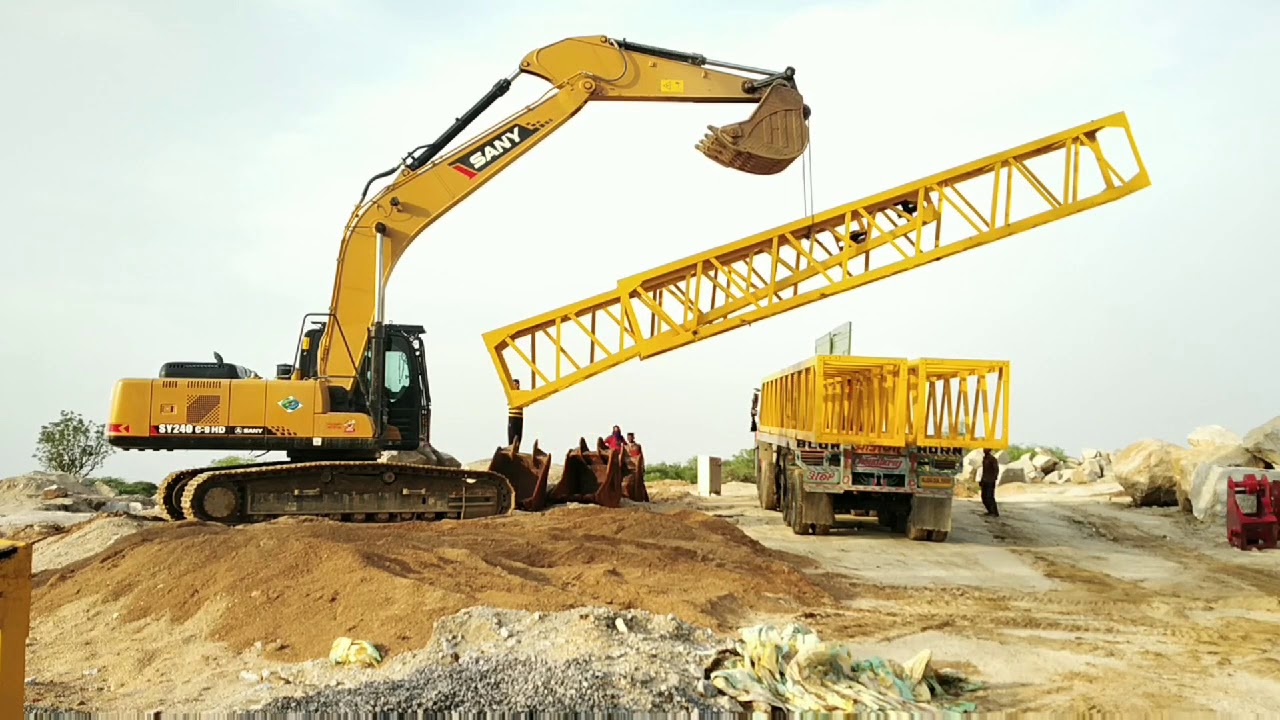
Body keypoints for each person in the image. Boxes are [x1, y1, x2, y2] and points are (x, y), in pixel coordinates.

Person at [980, 448, 1000, 517]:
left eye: (986, 449)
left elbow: (996, 469)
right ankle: (989, 511)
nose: (984, 450)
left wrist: (994, 478)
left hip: (990, 480)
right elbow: (984, 471)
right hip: (985, 480)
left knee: (990, 497)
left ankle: (994, 512)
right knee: (984, 497)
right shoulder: (984, 458)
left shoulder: (992, 459)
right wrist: (982, 479)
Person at [507, 379, 523, 446]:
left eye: (517, 384)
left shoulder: (521, 394)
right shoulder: (511, 393)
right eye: (514, 384)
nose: (516, 385)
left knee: (519, 433)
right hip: (513, 417)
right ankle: (511, 446)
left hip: (519, 417)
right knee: (512, 433)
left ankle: (517, 447)